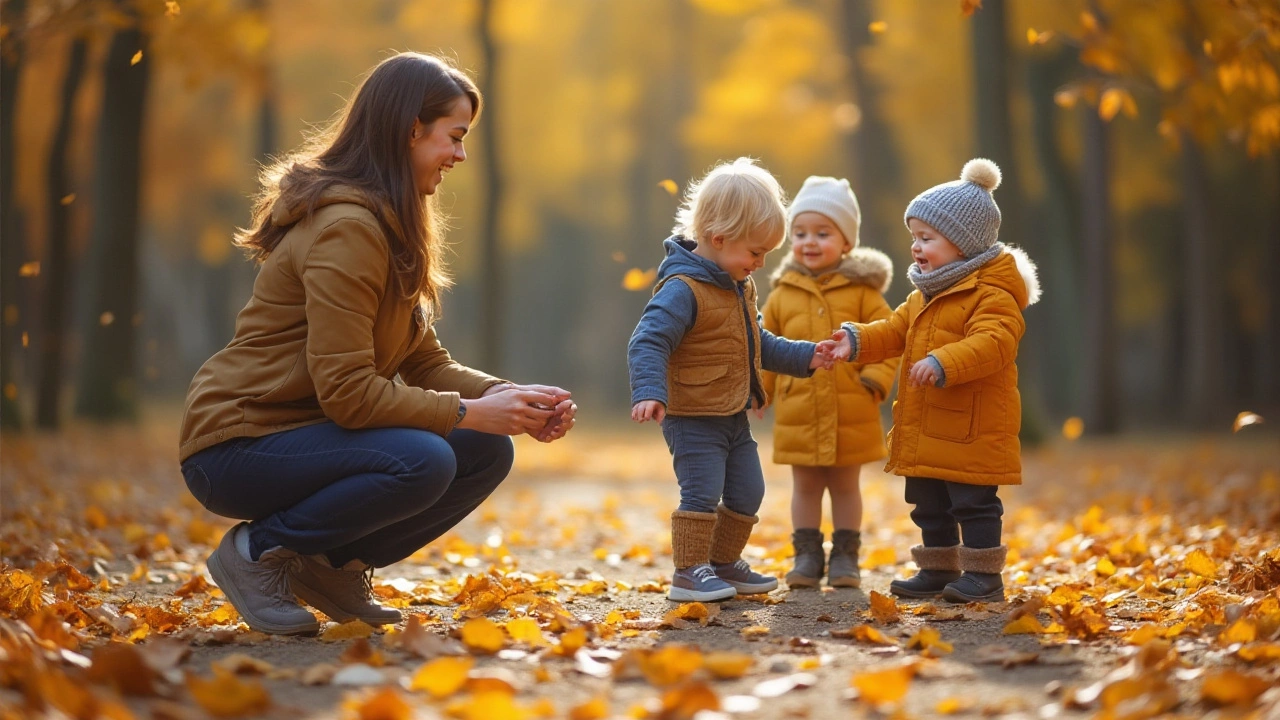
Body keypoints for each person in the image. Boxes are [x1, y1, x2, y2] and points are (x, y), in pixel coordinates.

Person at [178, 52, 577, 635]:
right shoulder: (349, 229)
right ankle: (256, 553)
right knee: (426, 457)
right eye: (454, 136)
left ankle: (331, 566)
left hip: (304, 434)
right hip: (240, 441)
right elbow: (346, 393)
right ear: (411, 129)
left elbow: (420, 360)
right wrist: (470, 412)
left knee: (486, 450)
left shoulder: (389, 221)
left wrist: (507, 397)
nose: (460, 155)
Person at [826, 159, 1039, 603]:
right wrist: (856, 341)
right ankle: (939, 568)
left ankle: (984, 575)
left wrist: (944, 361)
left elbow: (995, 342)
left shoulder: (992, 295)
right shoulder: (926, 293)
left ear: (963, 243)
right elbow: (894, 330)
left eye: (927, 239)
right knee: (928, 502)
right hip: (929, 427)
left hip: (971, 428)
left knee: (974, 504)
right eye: (914, 238)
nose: (916, 248)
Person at [628, 158, 840, 603]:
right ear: (719, 238)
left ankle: (723, 563)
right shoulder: (682, 288)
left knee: (748, 490)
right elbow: (648, 342)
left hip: (731, 412)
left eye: (766, 253)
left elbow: (755, 341)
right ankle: (688, 571)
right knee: (701, 491)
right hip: (691, 415)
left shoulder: (737, 283)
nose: (761, 263)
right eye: (756, 252)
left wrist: (807, 356)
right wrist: (650, 391)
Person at [759, 176, 898, 589]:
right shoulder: (781, 293)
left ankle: (845, 556)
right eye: (800, 233)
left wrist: (873, 379)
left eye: (823, 233)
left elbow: (891, 337)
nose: (810, 242)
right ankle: (805, 555)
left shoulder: (862, 292)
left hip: (851, 405)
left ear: (846, 242)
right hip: (798, 405)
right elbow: (761, 345)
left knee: (845, 485)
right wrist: (760, 389)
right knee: (804, 486)